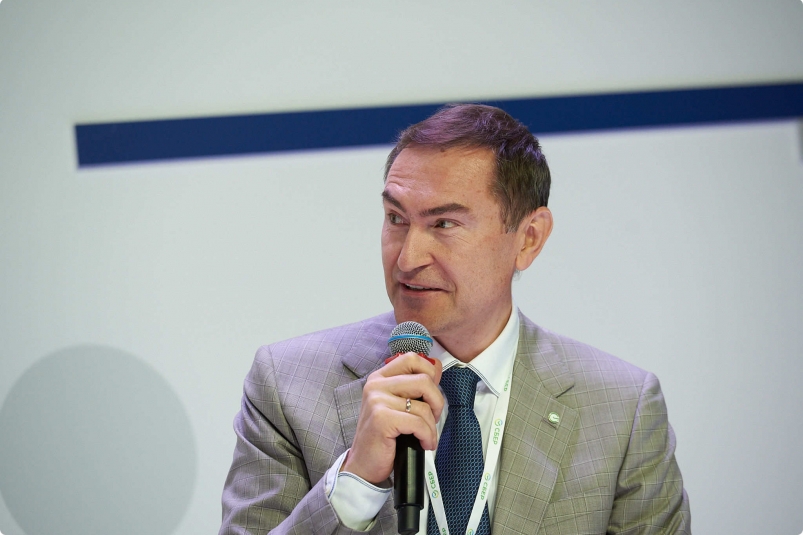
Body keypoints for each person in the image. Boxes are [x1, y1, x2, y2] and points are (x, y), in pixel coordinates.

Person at [219, 104, 691, 534]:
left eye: (444, 224)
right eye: (396, 218)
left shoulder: (621, 409)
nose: (408, 259)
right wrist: (355, 482)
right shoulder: (288, 387)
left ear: (528, 238)